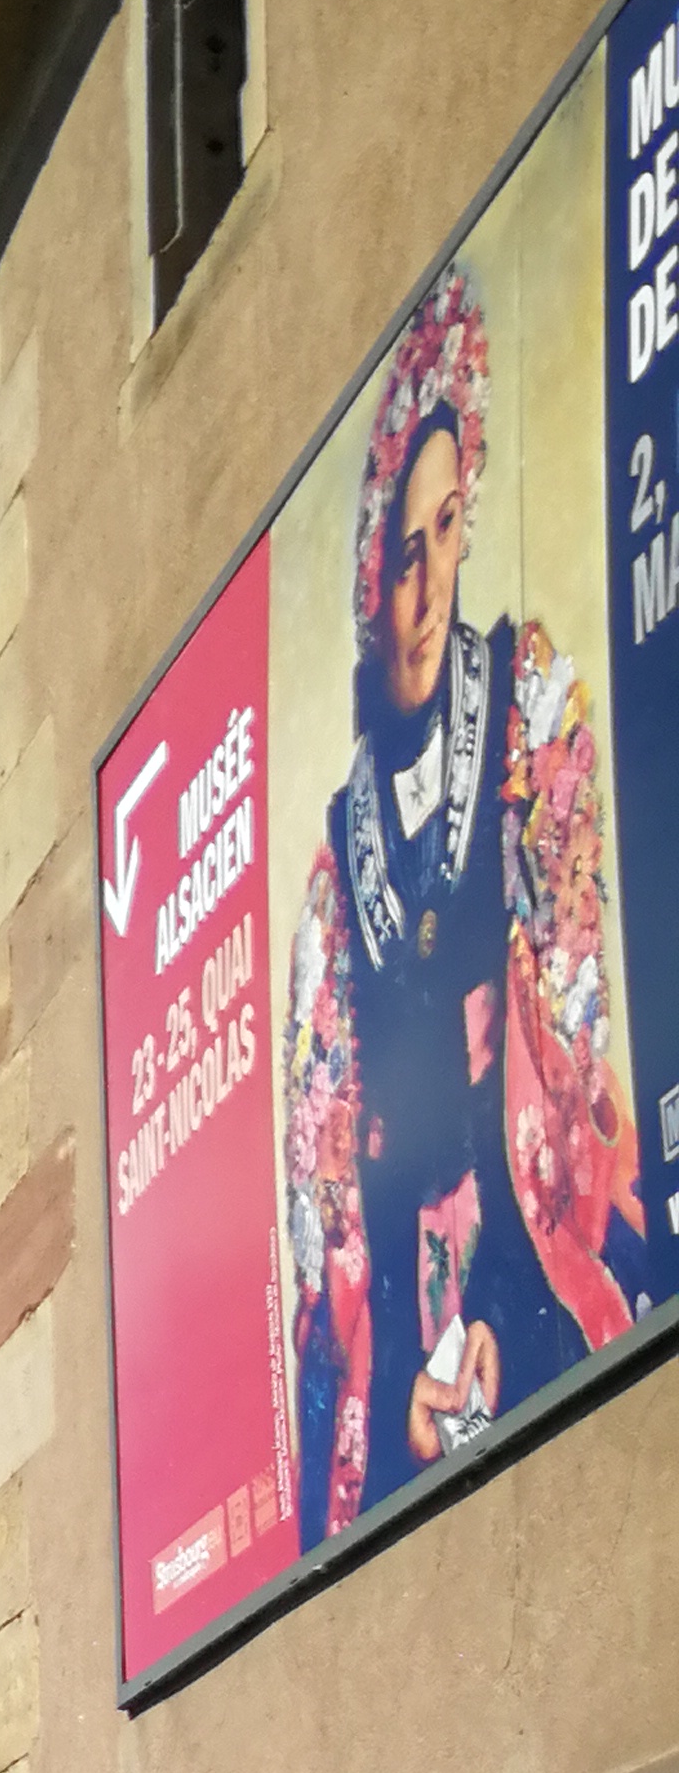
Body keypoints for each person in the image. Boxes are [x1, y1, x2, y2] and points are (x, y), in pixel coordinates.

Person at [283, 264, 641, 1537]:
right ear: (365, 577)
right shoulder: (338, 865)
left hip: (531, 1267)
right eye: (401, 553)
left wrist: (491, 1306)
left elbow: (572, 1046)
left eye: (446, 531)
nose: (428, 589)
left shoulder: (530, 722)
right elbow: (331, 1185)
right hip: (406, 1341)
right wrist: (403, 1367)